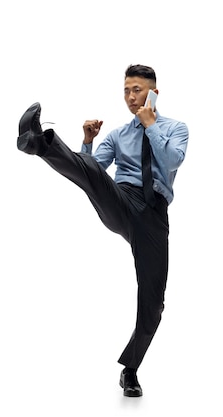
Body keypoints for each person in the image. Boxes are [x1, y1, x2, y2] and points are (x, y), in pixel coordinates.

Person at [16, 64, 189, 397]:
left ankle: (131, 370)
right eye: (125, 90)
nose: (130, 97)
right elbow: (89, 172)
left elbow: (171, 161)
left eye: (137, 89)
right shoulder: (116, 135)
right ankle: (38, 143)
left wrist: (150, 126)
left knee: (153, 306)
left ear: (154, 92)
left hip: (153, 215)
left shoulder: (176, 128)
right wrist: (87, 142)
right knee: (92, 170)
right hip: (121, 200)